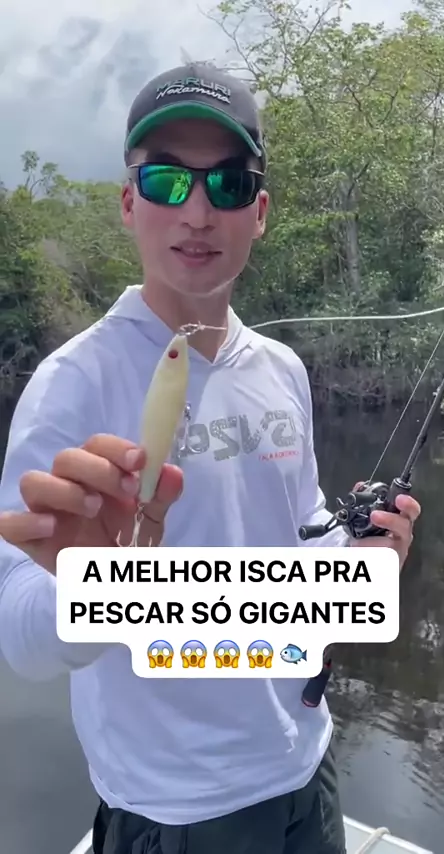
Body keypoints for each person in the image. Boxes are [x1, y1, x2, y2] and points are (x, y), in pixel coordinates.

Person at [0, 63, 421, 854]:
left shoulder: (280, 369)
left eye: (228, 184)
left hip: (306, 767)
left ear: (258, 213)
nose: (197, 211)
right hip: (179, 808)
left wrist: (358, 557)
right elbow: (18, 634)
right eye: (166, 180)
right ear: (129, 203)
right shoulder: (72, 383)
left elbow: (296, 538)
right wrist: (97, 589)